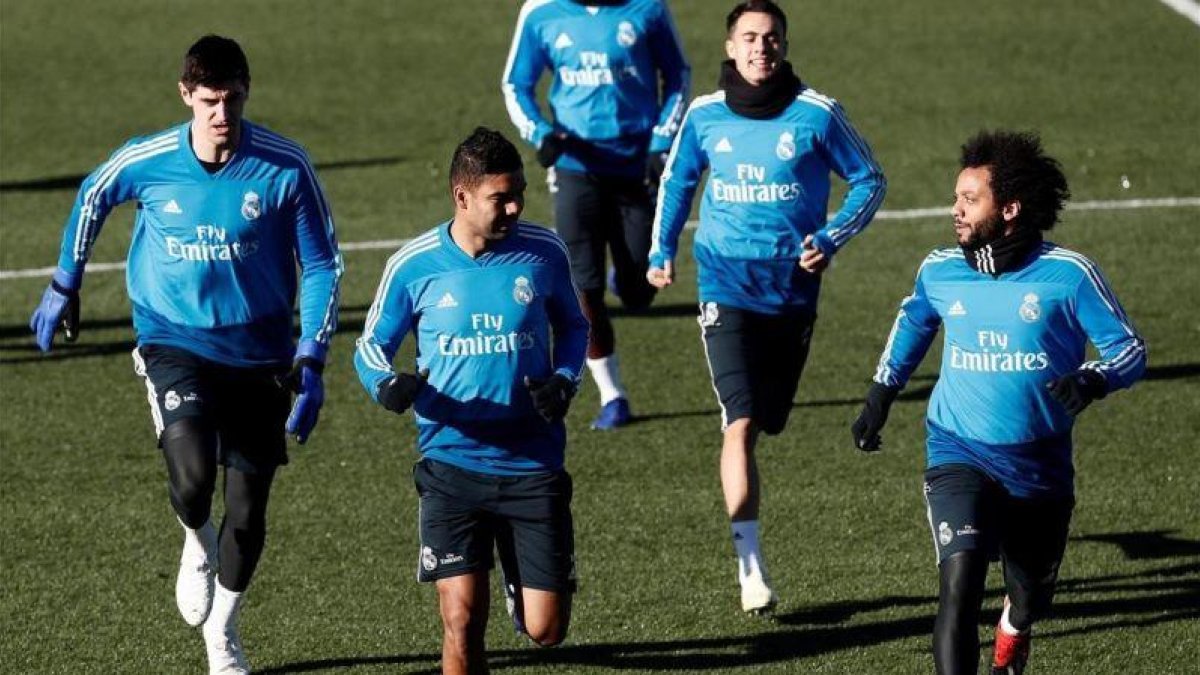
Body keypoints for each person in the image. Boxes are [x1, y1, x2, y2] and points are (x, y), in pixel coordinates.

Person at [28, 35, 342, 674]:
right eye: (208, 101)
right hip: (174, 339)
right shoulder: (150, 160)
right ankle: (194, 540)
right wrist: (66, 282)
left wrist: (311, 360)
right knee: (194, 477)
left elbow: (321, 263)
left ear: (246, 91)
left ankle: (221, 635)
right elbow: (93, 194)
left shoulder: (285, 168)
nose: (221, 113)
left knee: (249, 516)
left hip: (260, 354)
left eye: (231, 99)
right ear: (186, 97)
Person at [851, 130, 1146, 675]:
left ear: (1009, 209)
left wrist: (1091, 380)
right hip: (957, 447)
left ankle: (1015, 626)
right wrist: (881, 393)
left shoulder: (1069, 275)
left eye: (970, 199)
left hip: (1038, 466)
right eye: (956, 197)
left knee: (1029, 594)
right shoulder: (940, 269)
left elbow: (1129, 349)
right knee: (958, 585)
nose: (954, 210)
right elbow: (915, 321)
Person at [647, 0, 886, 613]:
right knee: (741, 420)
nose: (761, 47)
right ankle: (749, 565)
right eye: (749, 37)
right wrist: (661, 250)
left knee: (771, 418)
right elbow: (677, 182)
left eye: (772, 37)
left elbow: (870, 180)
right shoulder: (703, 117)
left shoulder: (817, 115)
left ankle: (750, 545)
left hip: (791, 292)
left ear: (784, 45)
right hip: (724, 285)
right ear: (730, 47)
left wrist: (829, 238)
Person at [354, 128, 589, 674]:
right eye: (499, 197)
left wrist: (564, 380)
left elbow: (575, 328)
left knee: (546, 630)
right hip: (451, 463)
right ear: (462, 197)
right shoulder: (413, 266)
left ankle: (518, 580)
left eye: (519, 194)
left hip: (533, 463)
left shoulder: (543, 251)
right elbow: (370, 347)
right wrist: (386, 384)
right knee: (461, 621)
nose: (514, 207)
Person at [502, 0, 690, 429]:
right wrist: (540, 133)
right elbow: (516, 83)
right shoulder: (541, 11)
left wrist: (663, 138)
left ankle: (627, 278)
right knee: (581, 288)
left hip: (636, 163)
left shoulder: (648, 9)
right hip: (574, 167)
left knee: (639, 289)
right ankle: (613, 396)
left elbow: (678, 75)